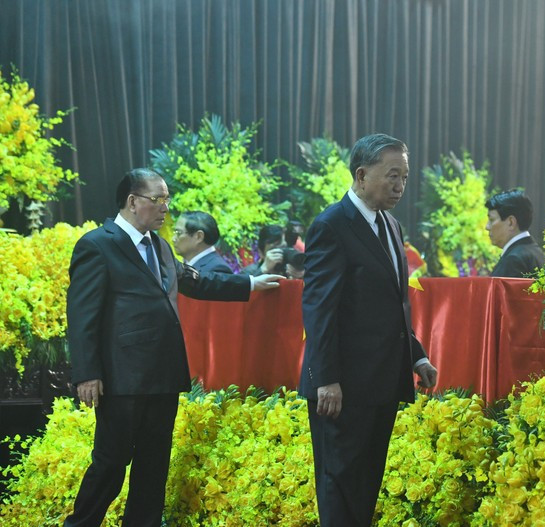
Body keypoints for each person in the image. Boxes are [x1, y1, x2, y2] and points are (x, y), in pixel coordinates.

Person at [64, 168, 283, 527]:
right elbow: (82, 316)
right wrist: (87, 373)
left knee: (154, 465)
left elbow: (196, 281)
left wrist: (249, 283)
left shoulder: (160, 246)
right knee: (111, 462)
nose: (166, 207)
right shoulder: (97, 244)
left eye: (167, 198)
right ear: (133, 202)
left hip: (163, 374)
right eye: (159, 198)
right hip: (122, 379)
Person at [299, 133, 438, 526]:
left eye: (405, 177)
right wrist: (326, 378)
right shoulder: (331, 225)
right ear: (361, 175)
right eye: (392, 175)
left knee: (365, 484)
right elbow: (319, 308)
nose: (400, 186)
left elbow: (392, 304)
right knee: (339, 482)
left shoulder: (391, 225)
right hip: (341, 387)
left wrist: (416, 353)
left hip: (379, 381)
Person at [485, 188, 545, 277]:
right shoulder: (537, 253)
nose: (487, 227)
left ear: (511, 222)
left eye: (491, 220)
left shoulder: (513, 260)